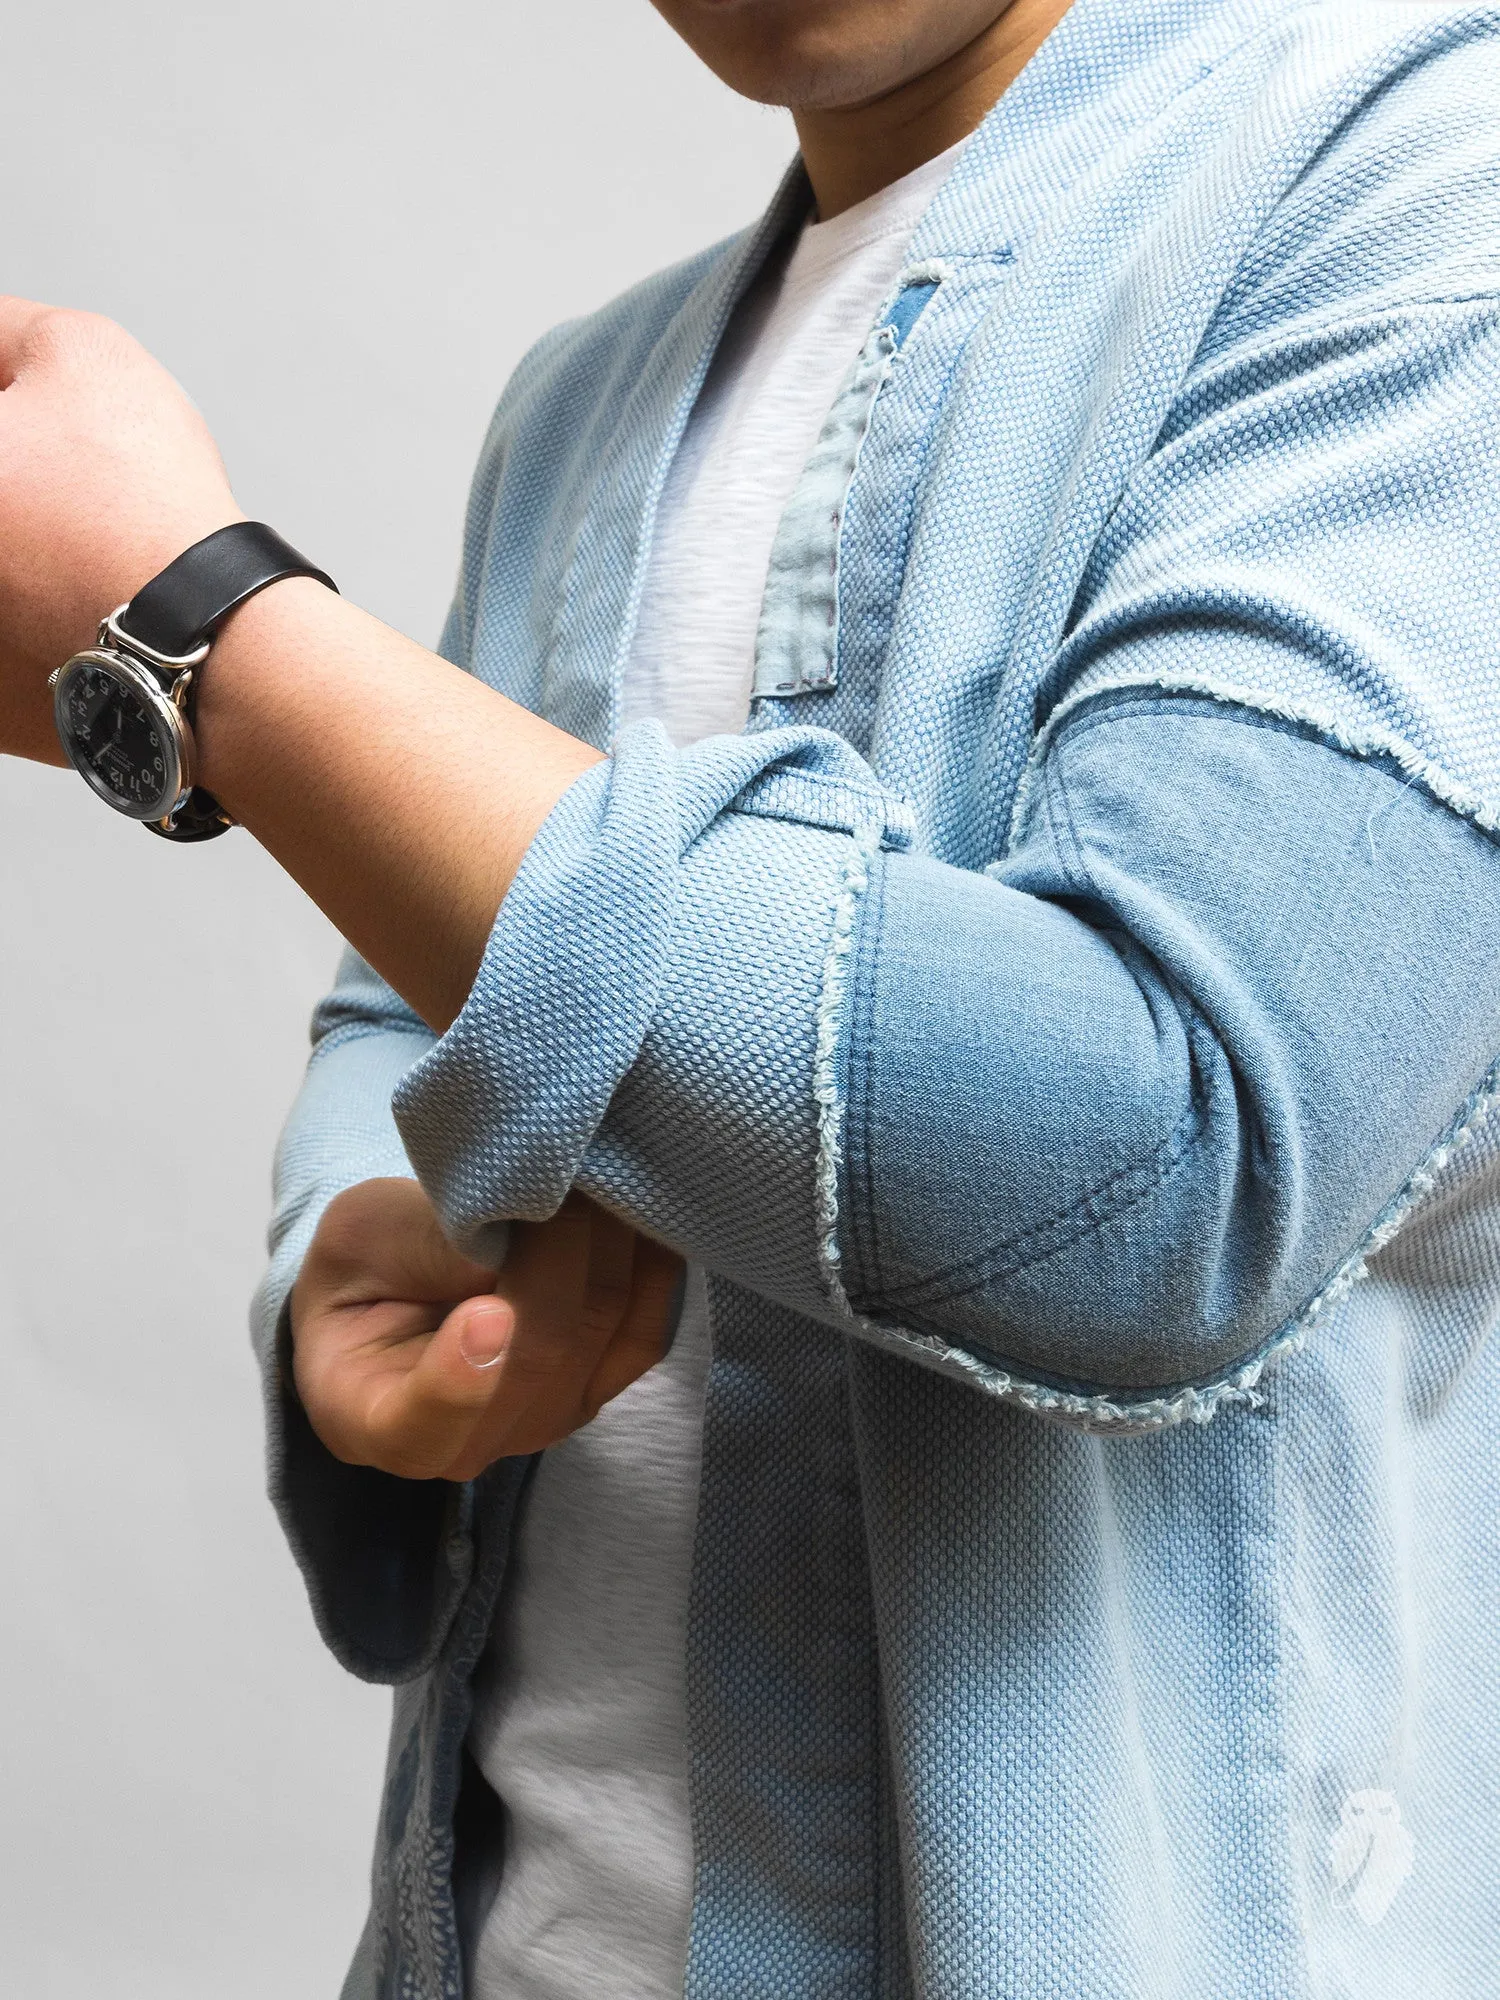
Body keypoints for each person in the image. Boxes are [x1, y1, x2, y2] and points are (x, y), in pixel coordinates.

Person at [2, 0, 1500, 1992]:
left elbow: (1165, 1152)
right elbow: (408, 999)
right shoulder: (588, 399)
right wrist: (363, 1242)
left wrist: (203, 637)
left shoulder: (1421, 176)